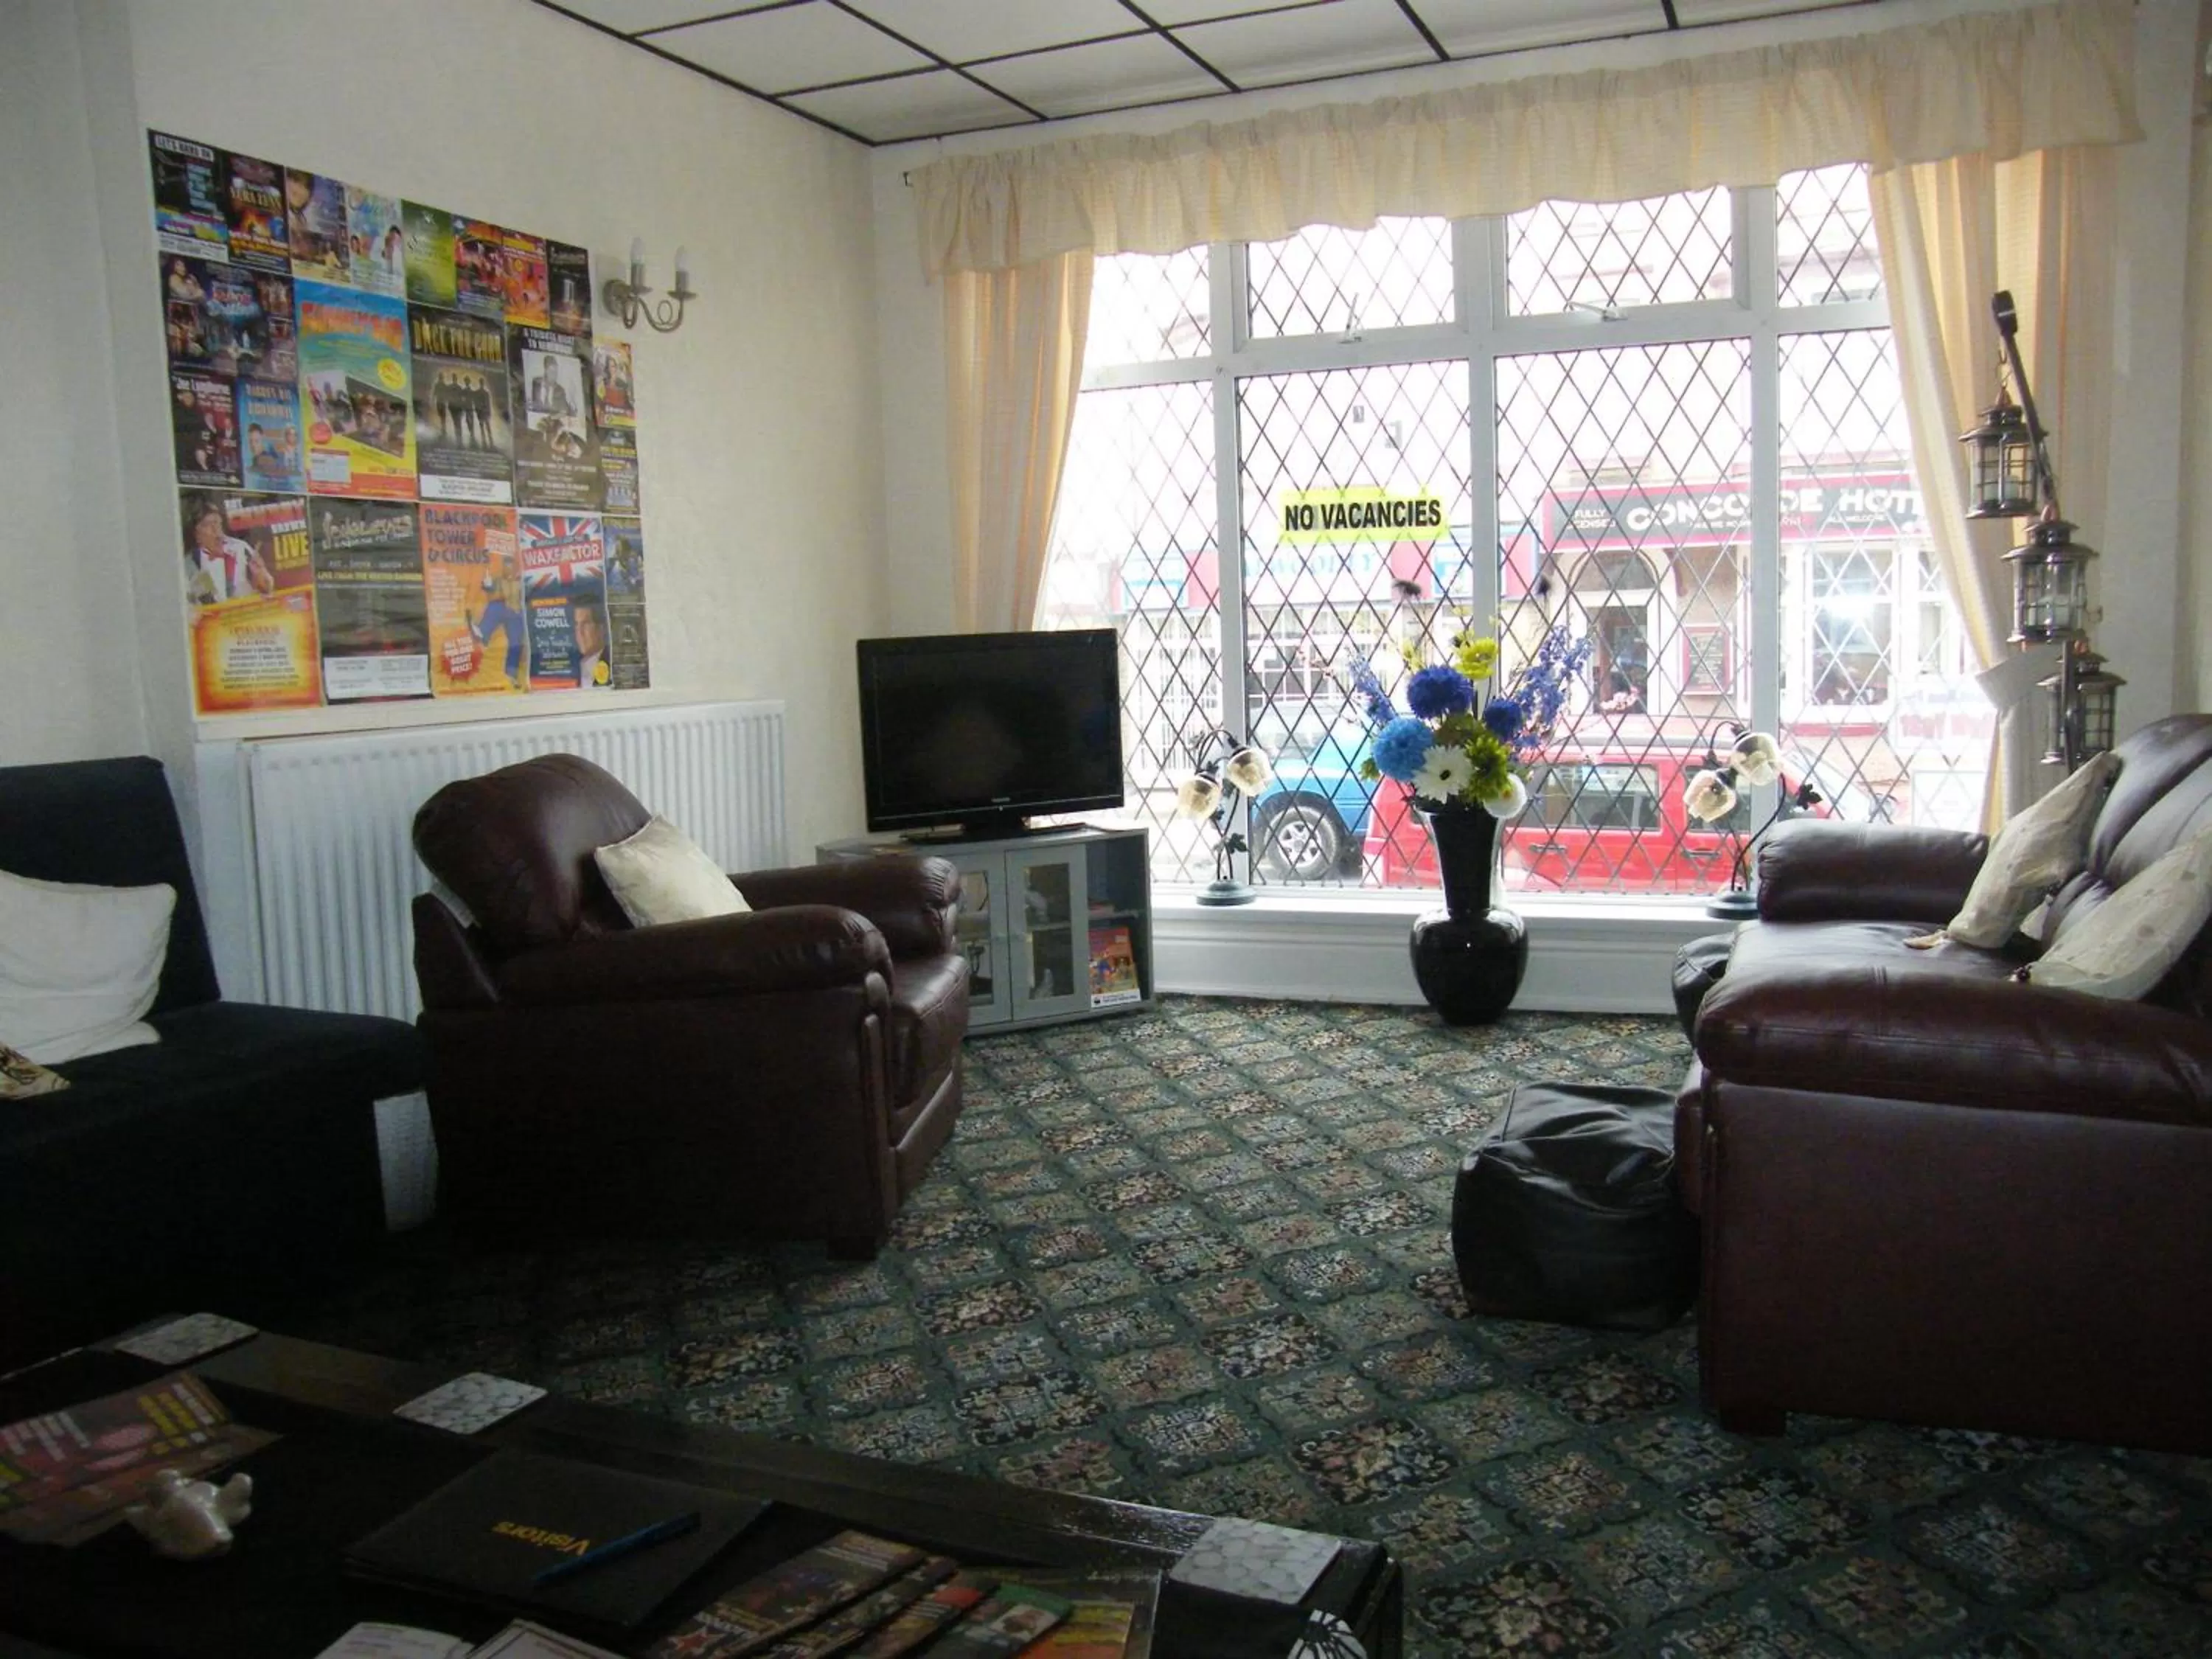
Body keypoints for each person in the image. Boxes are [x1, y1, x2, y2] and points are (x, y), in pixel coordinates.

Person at [182, 496, 274, 605]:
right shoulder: (191, 565)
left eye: (217, 523)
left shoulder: (240, 548)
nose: (216, 529)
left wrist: (261, 575)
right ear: (196, 534)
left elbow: (268, 589)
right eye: (207, 525)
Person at [571, 600, 610, 688]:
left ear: (601, 629)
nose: (579, 632)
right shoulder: (572, 666)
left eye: (585, 624)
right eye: (577, 624)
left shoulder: (613, 664)